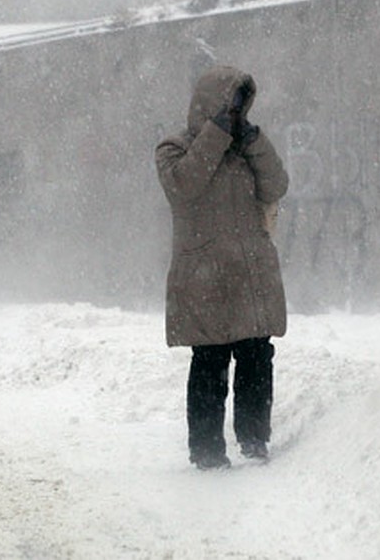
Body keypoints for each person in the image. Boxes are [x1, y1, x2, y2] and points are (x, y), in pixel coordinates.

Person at [155, 65, 290, 470]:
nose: (236, 112)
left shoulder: (246, 151)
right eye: (229, 103)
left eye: (240, 105)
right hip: (205, 276)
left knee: (255, 356)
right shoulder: (174, 148)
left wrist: (254, 141)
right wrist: (216, 133)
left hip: (250, 272)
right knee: (210, 361)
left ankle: (254, 440)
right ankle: (207, 451)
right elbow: (184, 187)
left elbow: (277, 186)